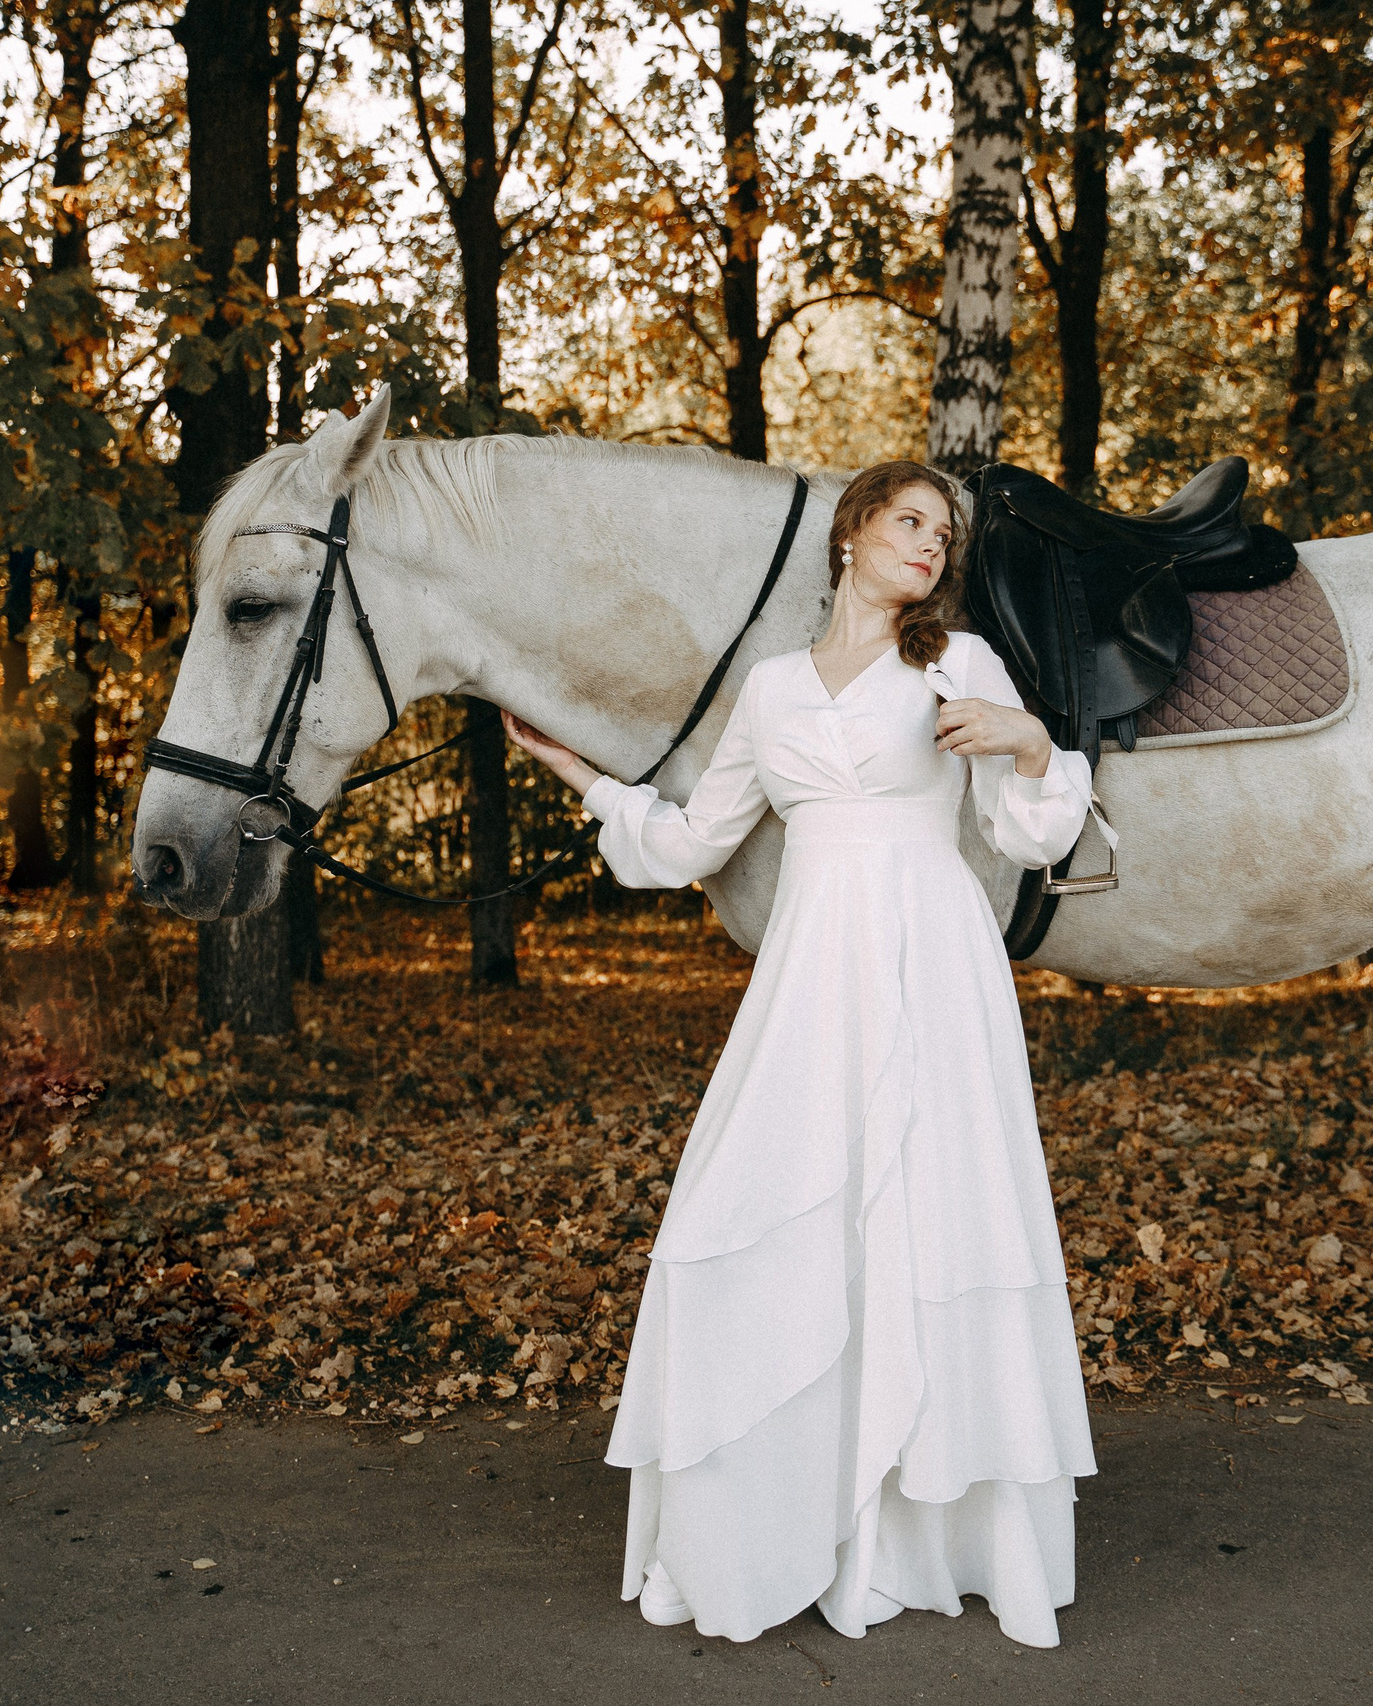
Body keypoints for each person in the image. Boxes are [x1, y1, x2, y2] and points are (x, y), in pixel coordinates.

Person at [504, 460, 1099, 1648]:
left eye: (945, 532)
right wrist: (576, 772)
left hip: (934, 961)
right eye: (910, 520)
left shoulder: (957, 664)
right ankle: (783, 1512)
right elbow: (690, 839)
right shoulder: (772, 690)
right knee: (762, 1202)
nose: (932, 544)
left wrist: (1034, 745)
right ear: (854, 532)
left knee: (933, 1213)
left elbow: (1027, 833)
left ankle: (934, 1531)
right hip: (810, 975)